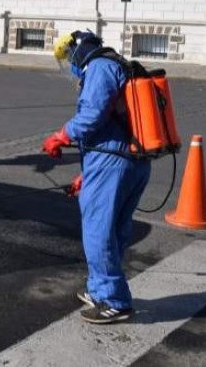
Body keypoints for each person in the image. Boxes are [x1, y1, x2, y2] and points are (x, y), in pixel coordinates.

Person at [42, 30, 151, 324]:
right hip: (126, 161)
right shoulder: (115, 64)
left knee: (98, 232)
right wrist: (84, 176)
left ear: (76, 52)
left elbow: (92, 116)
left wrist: (60, 136)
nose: (70, 68)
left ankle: (114, 301)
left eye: (67, 60)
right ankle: (101, 289)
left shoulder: (100, 68)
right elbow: (113, 128)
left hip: (113, 163)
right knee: (114, 231)